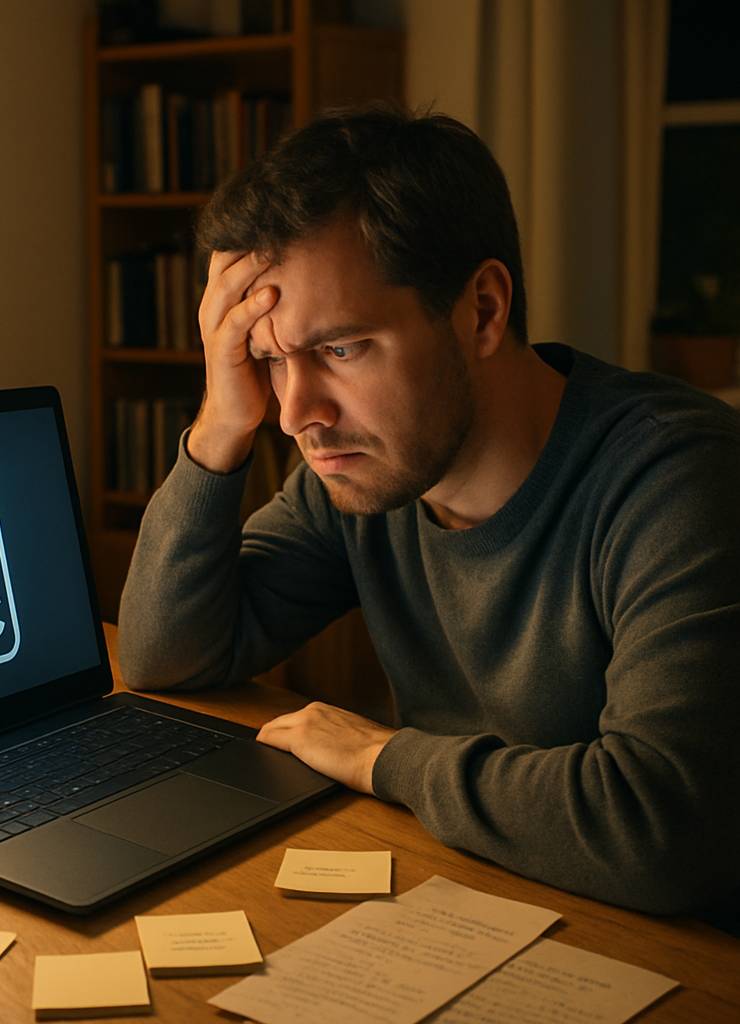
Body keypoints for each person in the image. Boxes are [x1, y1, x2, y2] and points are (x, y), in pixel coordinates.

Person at [116, 103, 740, 917]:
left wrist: (386, 758)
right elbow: (166, 656)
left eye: (340, 349)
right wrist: (220, 420)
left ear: (482, 309)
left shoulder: (678, 482)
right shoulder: (361, 474)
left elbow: (662, 832)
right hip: (478, 893)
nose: (296, 411)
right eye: (268, 360)